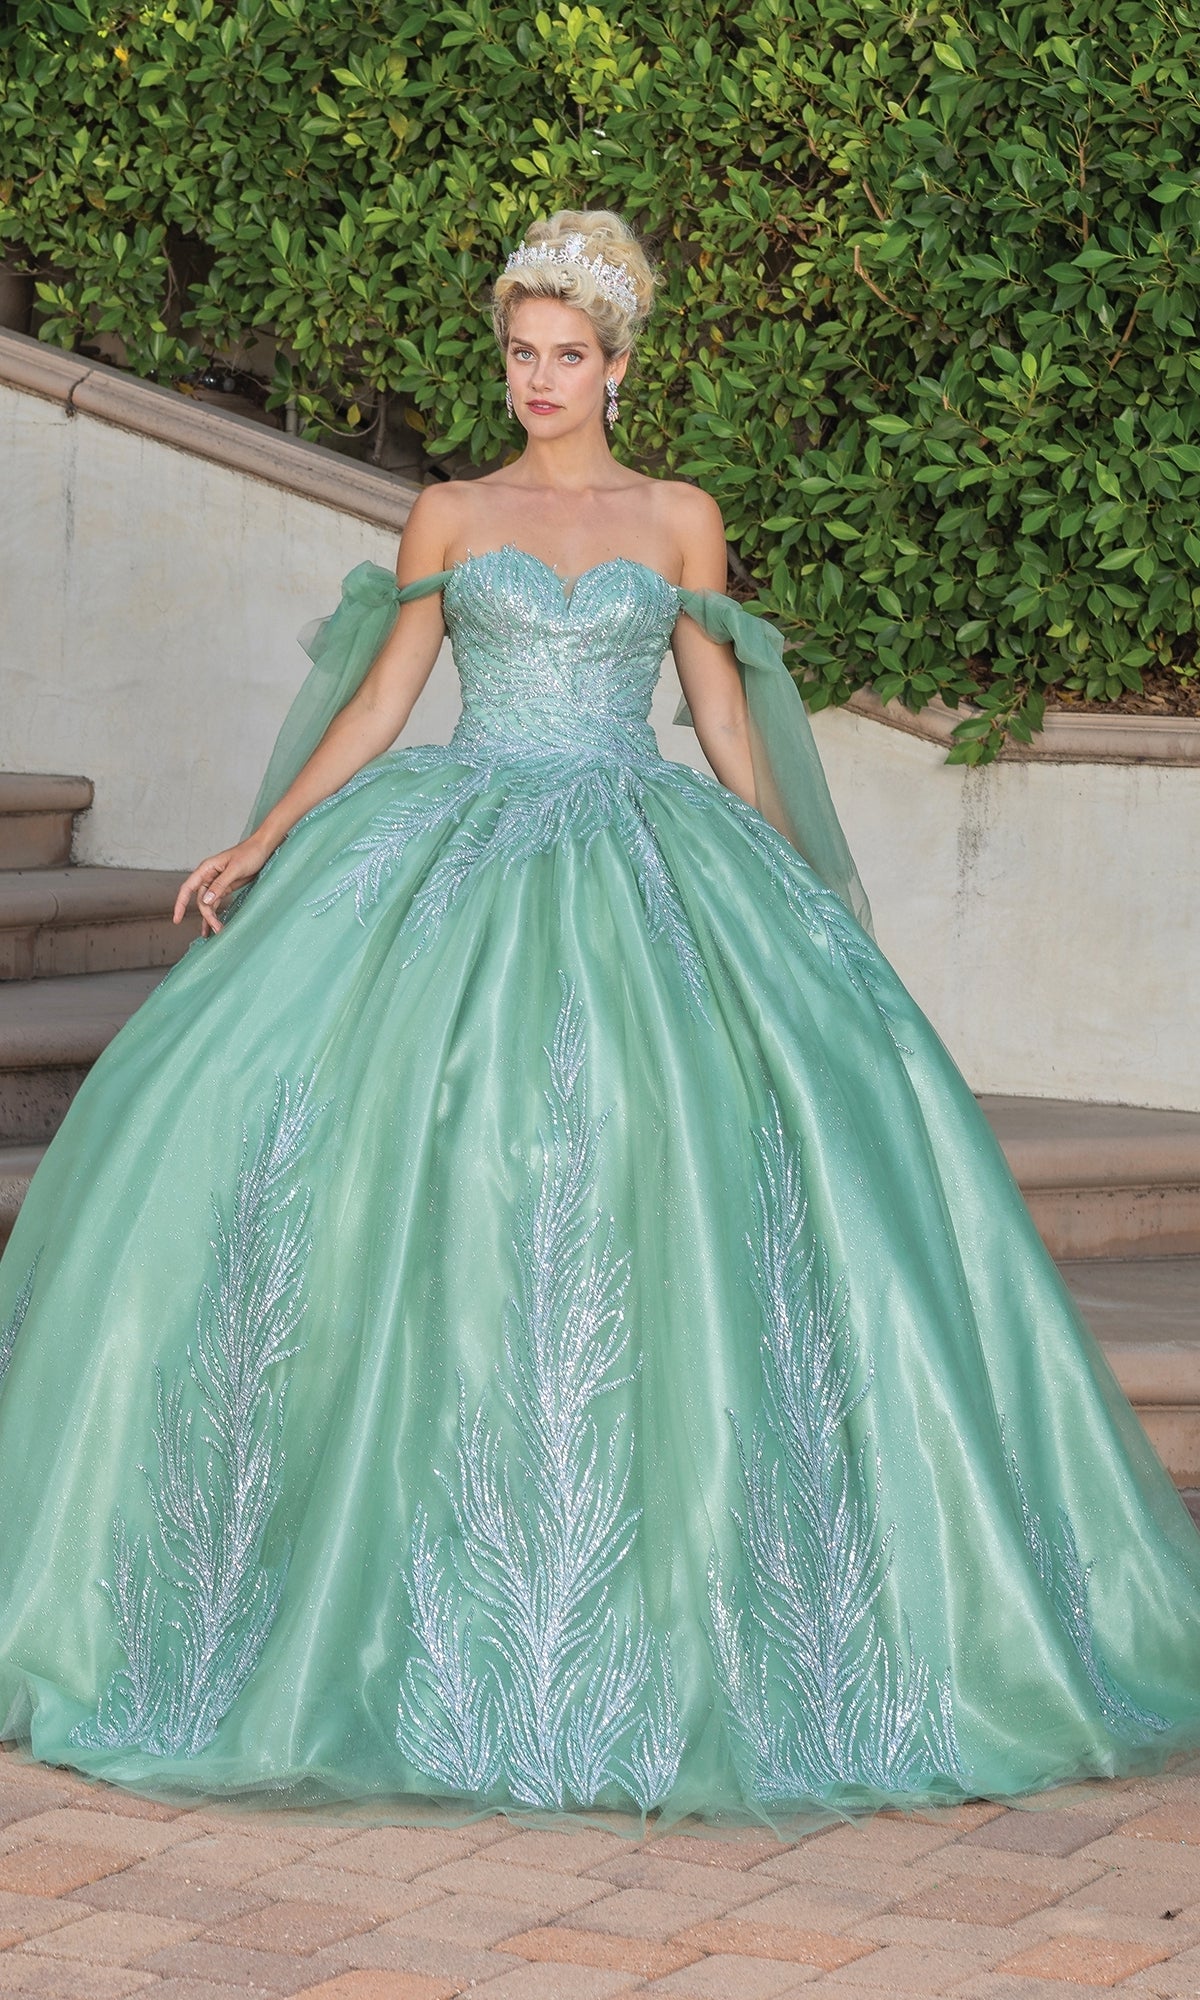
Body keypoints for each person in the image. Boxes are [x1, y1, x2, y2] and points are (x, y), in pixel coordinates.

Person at [0, 209, 1196, 1833]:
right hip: (459, 835)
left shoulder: (681, 519)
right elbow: (384, 698)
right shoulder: (449, 510)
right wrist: (268, 835)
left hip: (643, 841)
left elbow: (721, 717)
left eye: (569, 355)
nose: (542, 379)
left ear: (620, 366)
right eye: (522, 352)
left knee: (661, 1159)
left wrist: (791, 883)